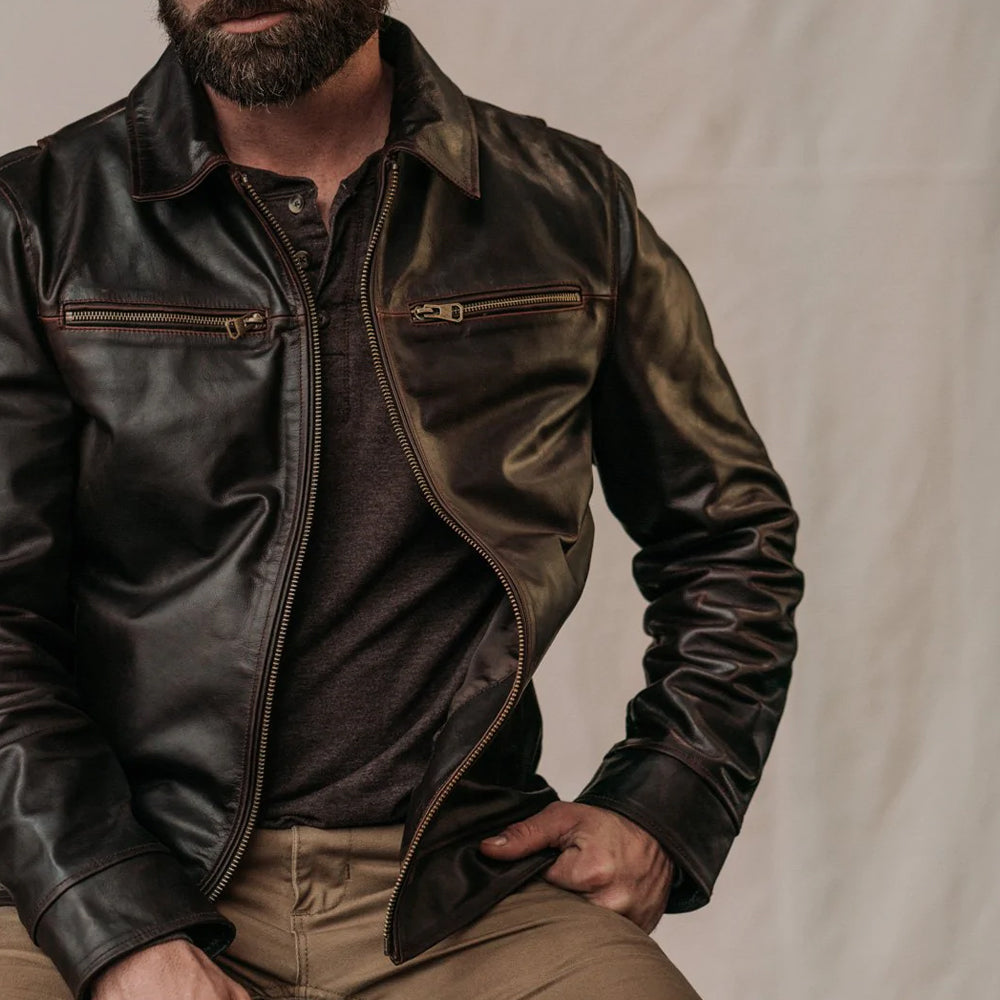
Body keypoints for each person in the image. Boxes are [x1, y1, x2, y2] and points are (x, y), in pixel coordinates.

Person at [0, 3, 803, 999]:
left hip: (455, 889)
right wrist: (116, 928)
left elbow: (728, 536)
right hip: (107, 865)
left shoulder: (567, 205)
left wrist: (664, 801)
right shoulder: (35, 219)